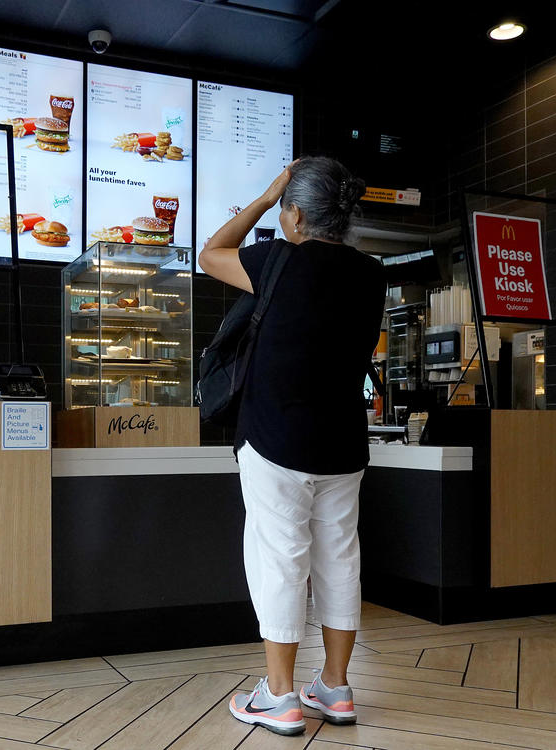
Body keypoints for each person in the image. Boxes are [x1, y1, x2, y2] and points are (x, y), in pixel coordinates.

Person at [198, 156, 386, 736]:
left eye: (285, 209)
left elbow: (210, 254)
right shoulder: (371, 273)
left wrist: (264, 195)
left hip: (276, 438)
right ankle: (335, 688)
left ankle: (279, 696)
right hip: (343, 444)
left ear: (296, 214)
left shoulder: (277, 259)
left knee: (280, 559)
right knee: (339, 559)